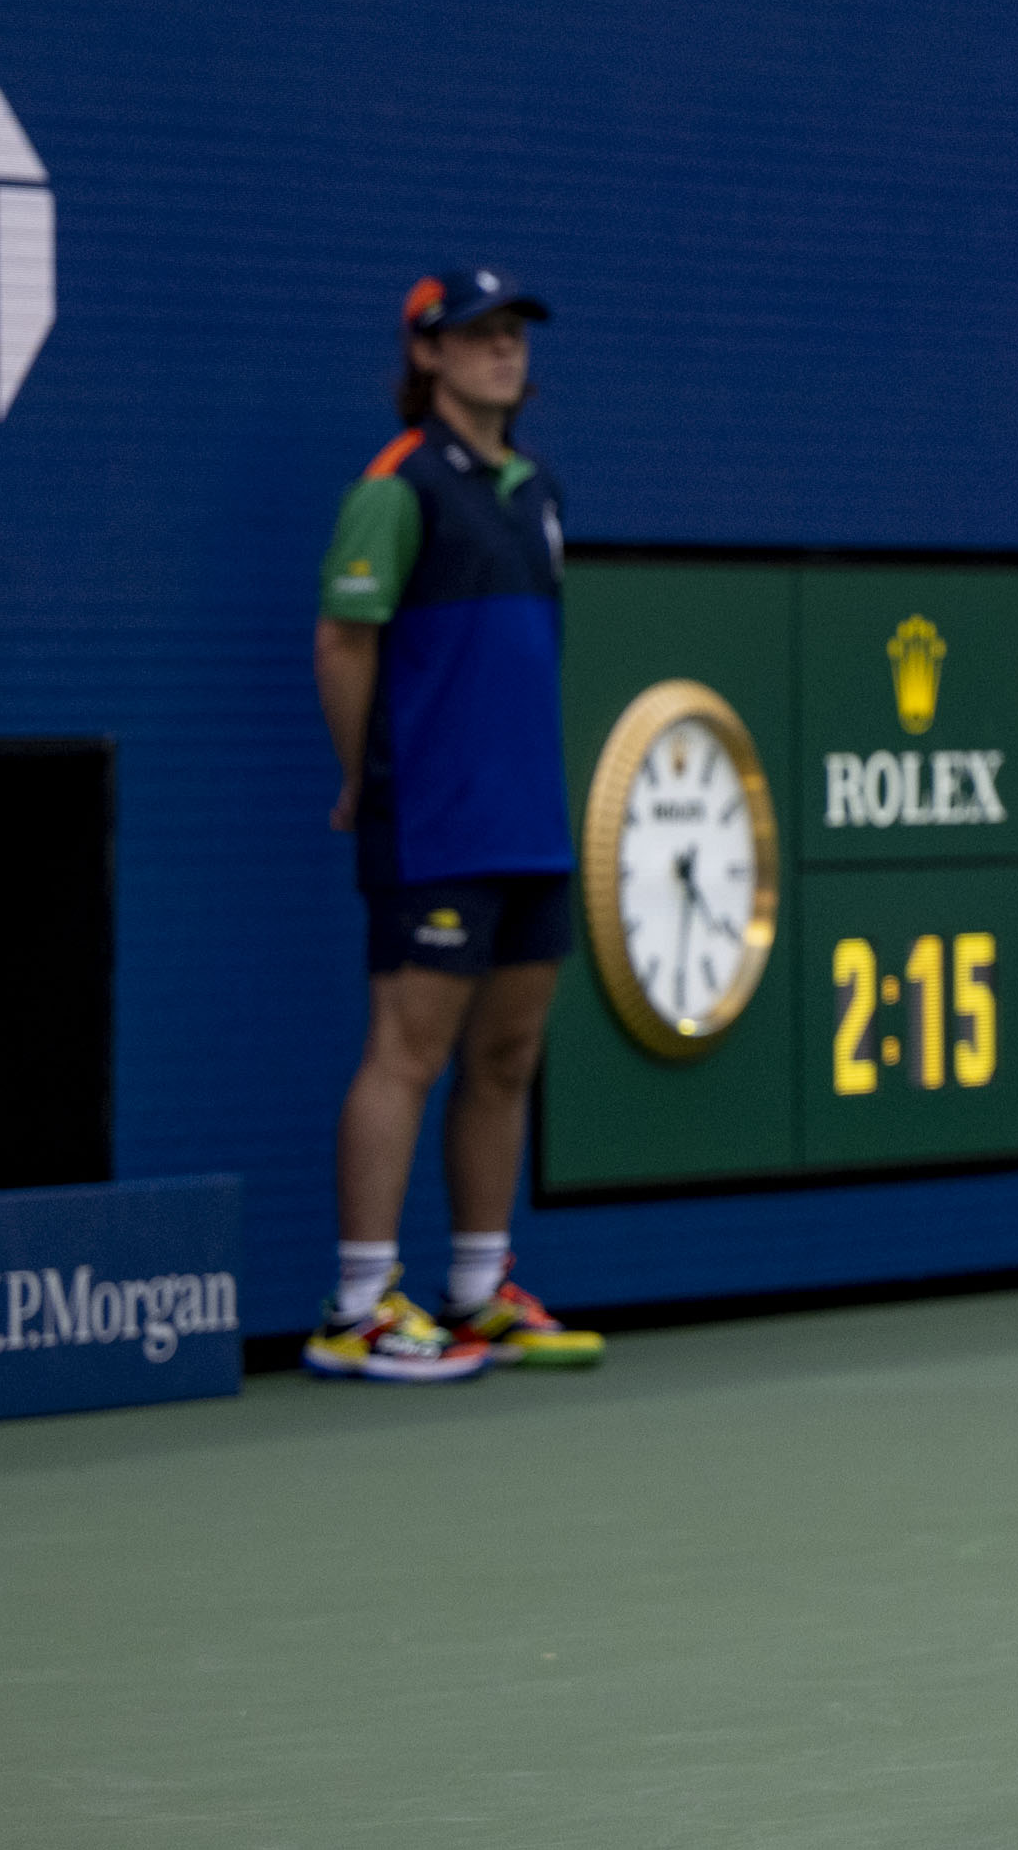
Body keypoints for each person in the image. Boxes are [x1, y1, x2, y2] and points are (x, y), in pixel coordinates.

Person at [306, 266, 604, 1383]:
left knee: (509, 1054)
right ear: (425, 354)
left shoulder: (539, 490)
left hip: (529, 822)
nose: (501, 351)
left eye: (514, 333)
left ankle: (477, 1291)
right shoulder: (395, 486)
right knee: (408, 1052)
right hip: (431, 819)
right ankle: (356, 1307)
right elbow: (343, 643)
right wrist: (364, 779)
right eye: (474, 336)